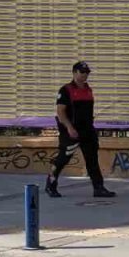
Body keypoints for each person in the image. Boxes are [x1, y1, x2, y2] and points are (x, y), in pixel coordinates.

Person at [46, 60, 114, 199]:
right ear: (74, 72)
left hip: (87, 130)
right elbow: (60, 112)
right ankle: (51, 184)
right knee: (63, 159)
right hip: (71, 130)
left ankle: (98, 188)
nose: (85, 75)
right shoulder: (66, 90)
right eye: (82, 72)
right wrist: (70, 127)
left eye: (87, 73)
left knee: (92, 159)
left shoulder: (88, 89)